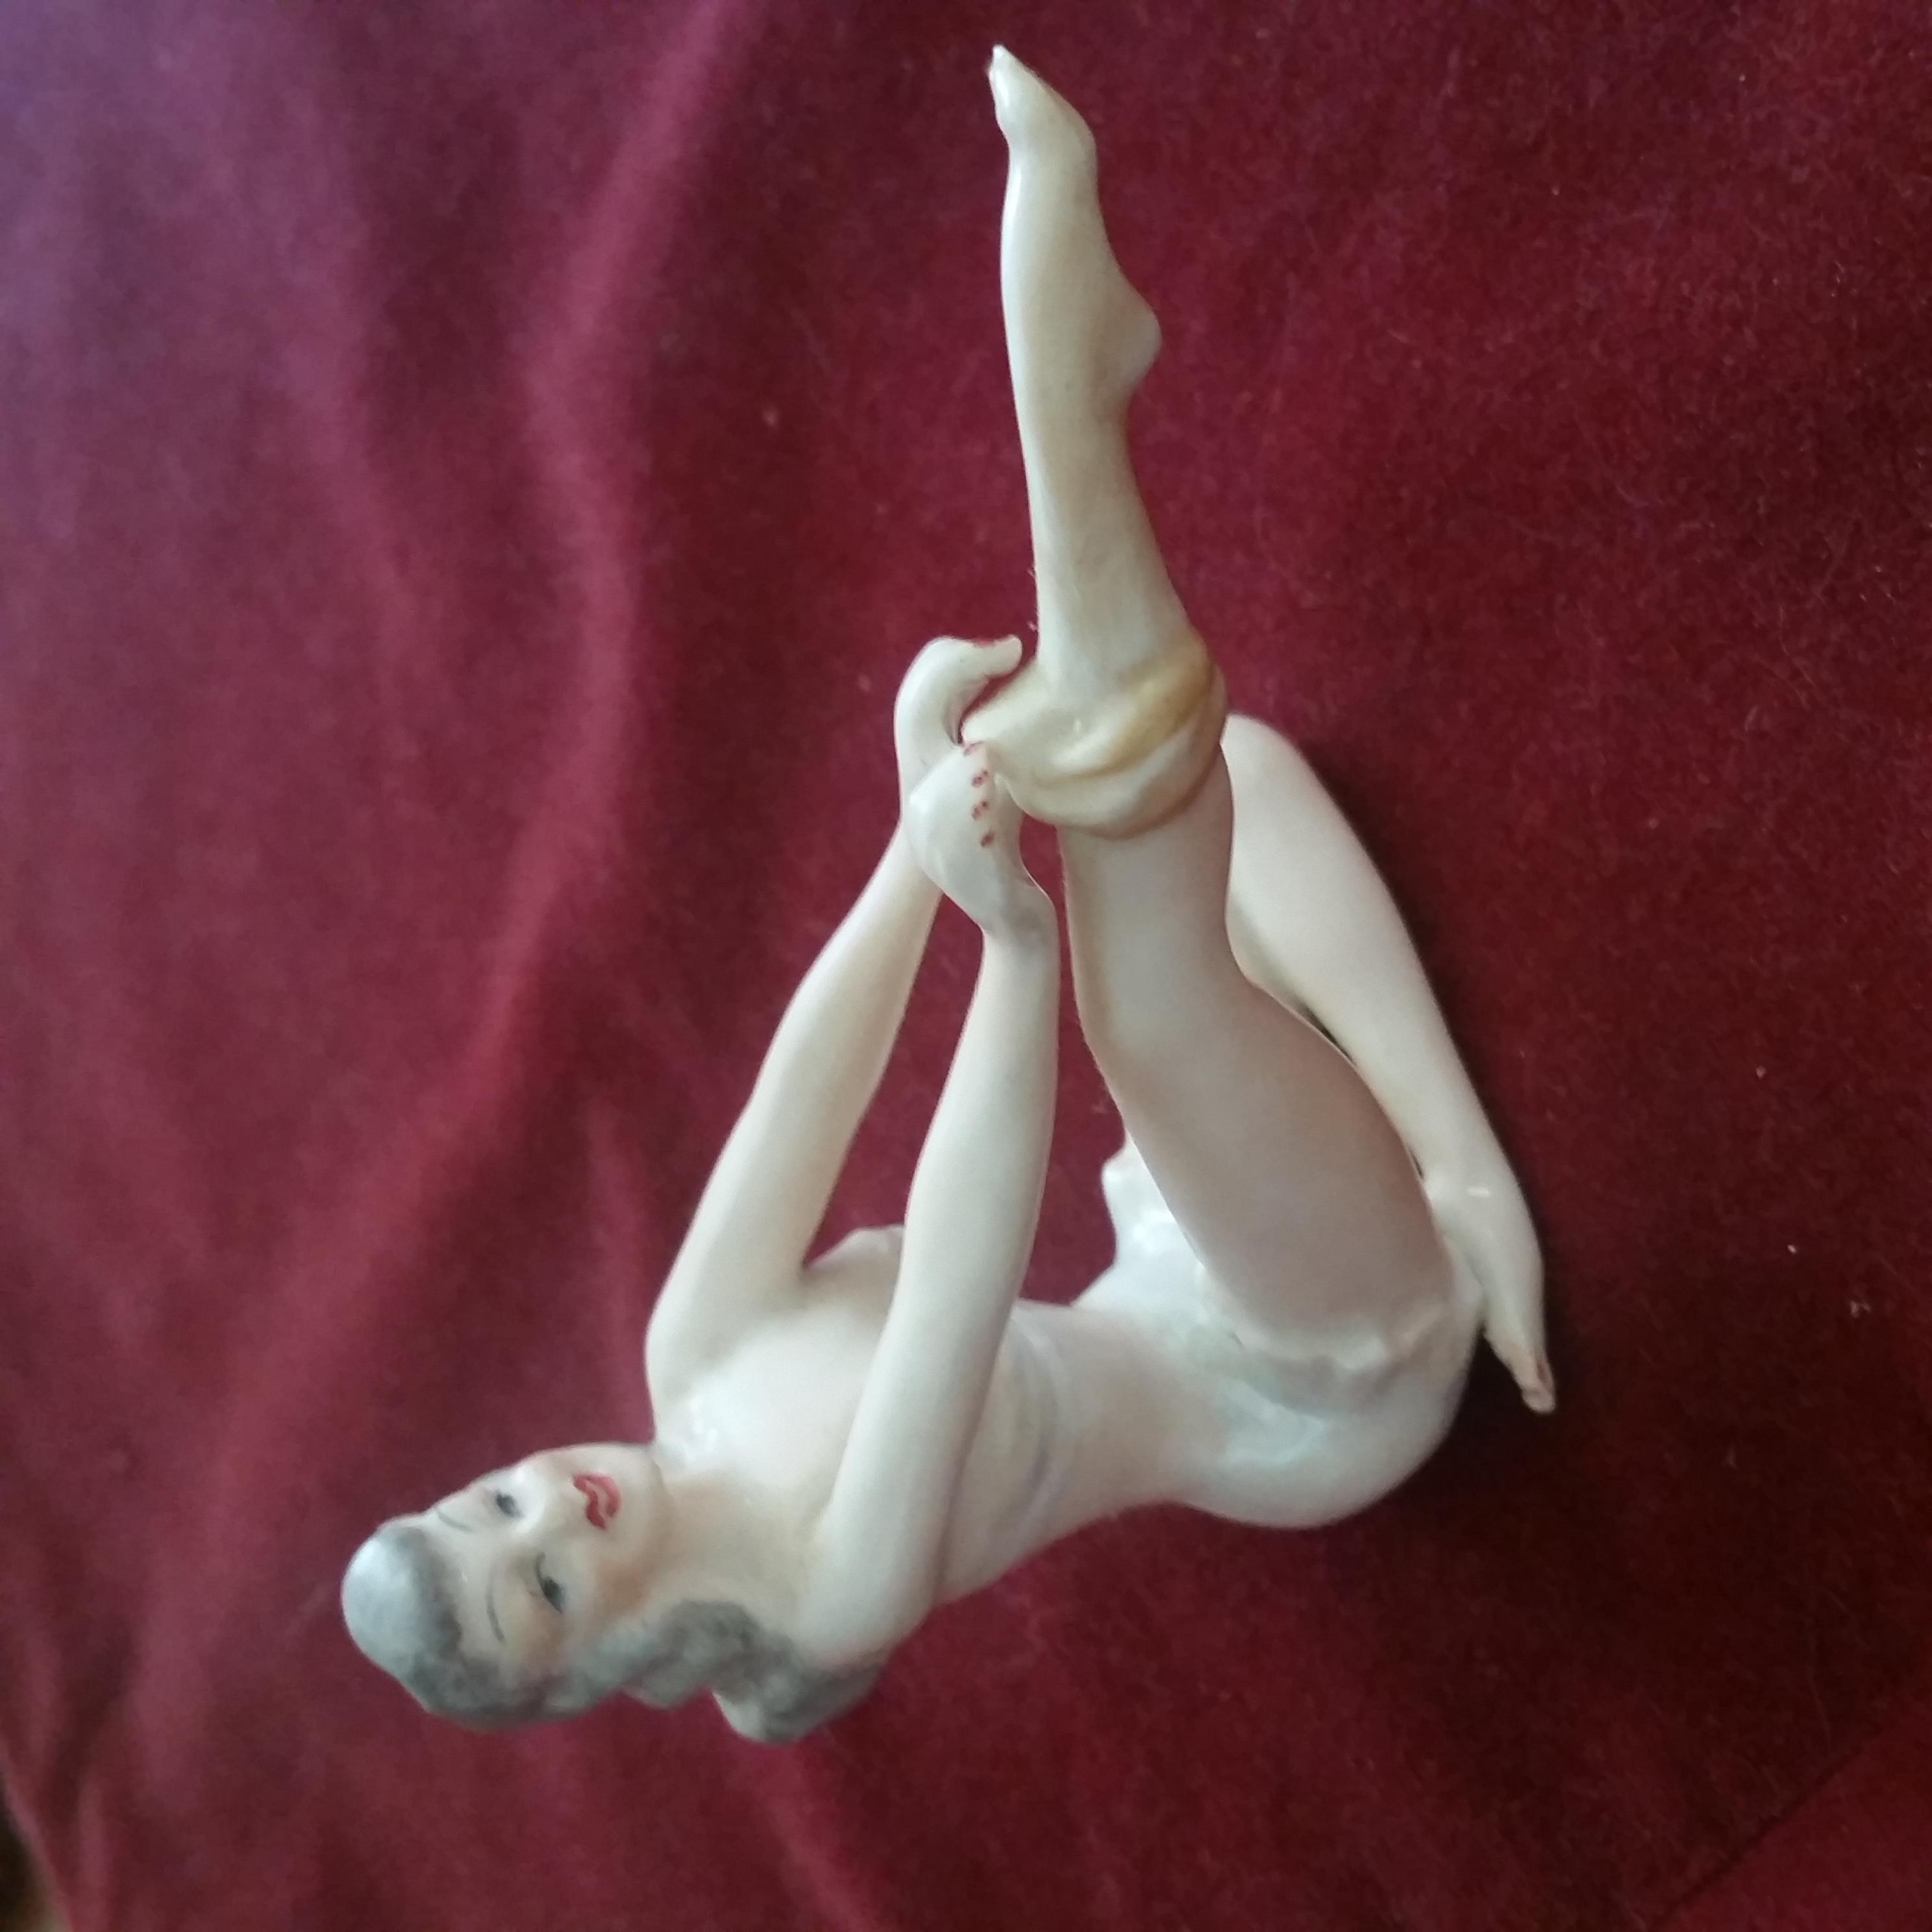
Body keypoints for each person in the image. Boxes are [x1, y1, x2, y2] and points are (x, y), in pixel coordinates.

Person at [341, 50, 1549, 1745]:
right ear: (589, 1660)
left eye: (494, 1507)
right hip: (1306, 1372)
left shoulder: (696, 1351)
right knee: (1148, 994)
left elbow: (805, 1084)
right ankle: (1072, 423)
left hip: (1174, 1239)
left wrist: (915, 840)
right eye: (539, 1587)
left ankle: (1456, 1172)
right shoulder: (823, 1591)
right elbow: (961, 1279)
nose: (553, 1515)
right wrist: (1011, 943)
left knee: (1241, 783)